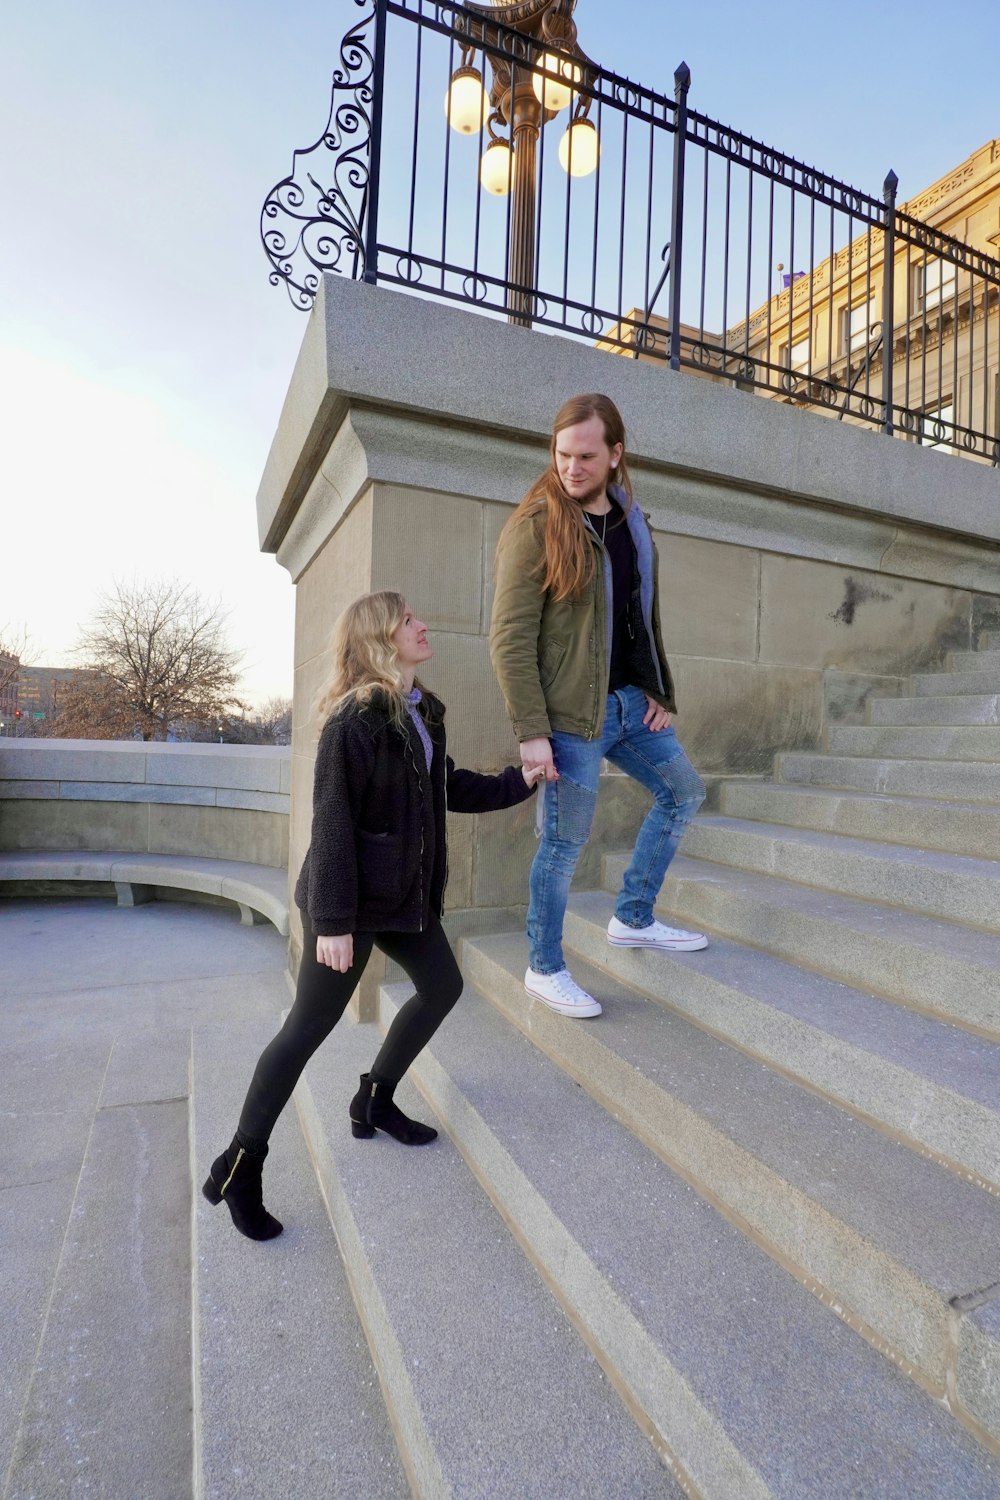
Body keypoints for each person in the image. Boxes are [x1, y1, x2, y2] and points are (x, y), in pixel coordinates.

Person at [203, 591, 540, 1240]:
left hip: (402, 897)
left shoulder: (420, 712)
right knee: (306, 1029)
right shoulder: (353, 724)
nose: (422, 624)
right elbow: (331, 826)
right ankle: (240, 1163)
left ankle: (374, 1098)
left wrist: (517, 782)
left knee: (442, 987)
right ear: (383, 638)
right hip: (349, 903)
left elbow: (447, 788)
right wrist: (331, 923)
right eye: (409, 619)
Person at [490, 392, 707, 1021]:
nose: (572, 468)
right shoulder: (536, 527)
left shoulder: (634, 521)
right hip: (569, 721)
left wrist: (658, 691)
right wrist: (532, 732)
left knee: (683, 792)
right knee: (563, 844)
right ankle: (544, 967)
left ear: (616, 454)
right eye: (563, 455)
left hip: (630, 706)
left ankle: (633, 917)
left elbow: (641, 616)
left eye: (586, 455)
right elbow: (508, 638)